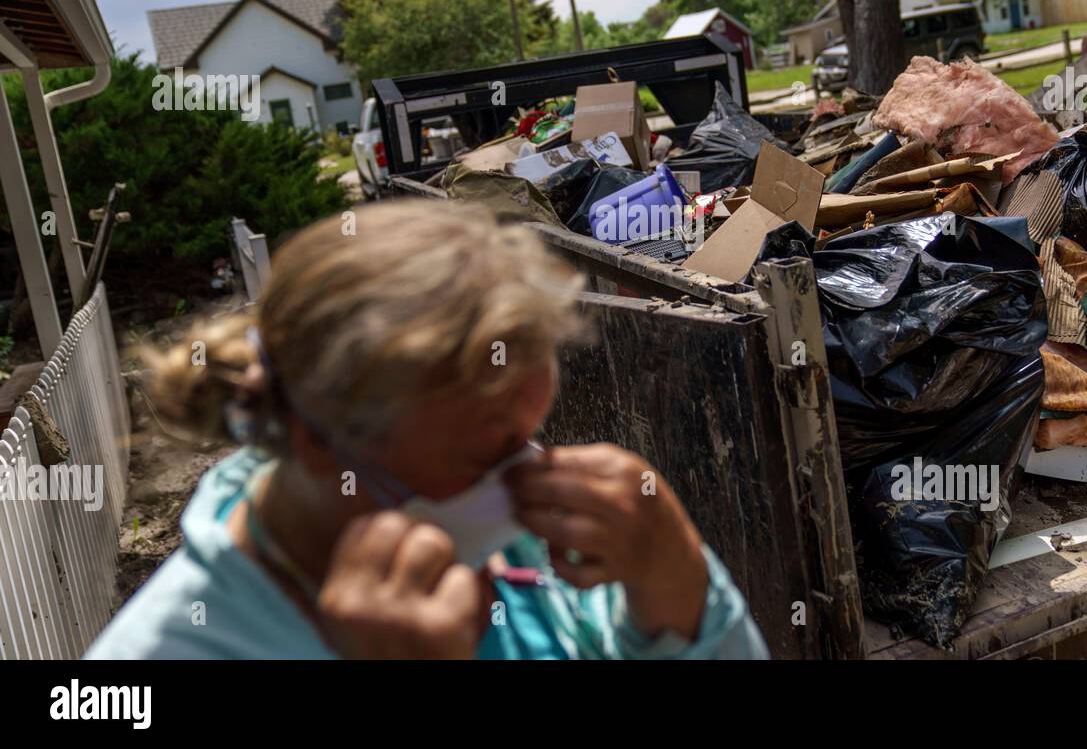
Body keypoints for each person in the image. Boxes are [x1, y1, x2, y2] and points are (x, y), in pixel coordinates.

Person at [87, 200, 768, 659]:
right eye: (489, 454)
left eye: (532, 432)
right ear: (315, 441)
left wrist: (678, 587)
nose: (530, 472)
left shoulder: (502, 541)